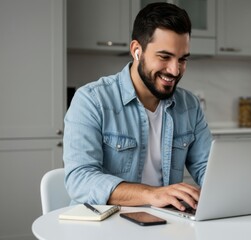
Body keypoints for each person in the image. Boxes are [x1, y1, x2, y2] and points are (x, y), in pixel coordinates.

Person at [63, 2, 212, 211]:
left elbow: (208, 168)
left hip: (165, 222)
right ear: (136, 50)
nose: (175, 70)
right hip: (105, 225)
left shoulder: (189, 106)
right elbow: (80, 179)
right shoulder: (91, 100)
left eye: (182, 59)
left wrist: (226, 189)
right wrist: (151, 194)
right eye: (164, 57)